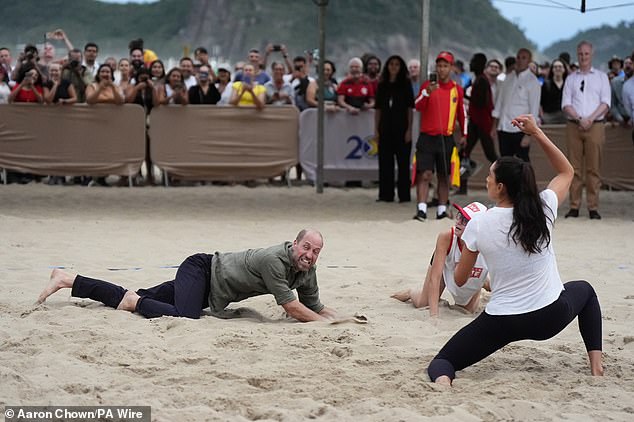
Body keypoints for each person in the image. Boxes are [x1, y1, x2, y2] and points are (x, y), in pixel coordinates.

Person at [427, 114, 603, 386]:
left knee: (442, 362)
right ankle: (596, 368)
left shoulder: (480, 223)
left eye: (489, 176)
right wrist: (537, 133)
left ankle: (443, 387)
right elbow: (567, 171)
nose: (486, 180)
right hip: (549, 316)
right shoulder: (543, 206)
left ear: (500, 187)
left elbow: (462, 281)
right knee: (586, 292)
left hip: (502, 321)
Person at [37, 229, 339, 322]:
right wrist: (327, 325)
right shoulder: (275, 259)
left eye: (315, 252)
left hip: (210, 288)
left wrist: (342, 318)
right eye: (306, 247)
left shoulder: (307, 269)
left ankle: (67, 279)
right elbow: (290, 306)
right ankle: (135, 303)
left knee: (129, 296)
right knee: (186, 315)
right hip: (201, 270)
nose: (309, 255)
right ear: (295, 244)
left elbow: (314, 306)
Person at [392, 201, 488, 316]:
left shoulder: (486, 243)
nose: (458, 222)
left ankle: (482, 284)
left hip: (470, 270)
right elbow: (435, 278)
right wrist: (434, 316)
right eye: (459, 216)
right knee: (424, 303)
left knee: (466, 310)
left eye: (465, 220)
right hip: (446, 263)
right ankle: (411, 292)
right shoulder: (447, 236)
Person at [412, 51, 466, 221]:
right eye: (439, 66)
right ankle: (421, 209)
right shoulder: (427, 86)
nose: (442, 69)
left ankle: (442, 209)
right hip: (427, 136)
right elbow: (417, 105)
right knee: (425, 173)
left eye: (445, 66)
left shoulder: (457, 89)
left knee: (444, 175)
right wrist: (427, 92)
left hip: (446, 137)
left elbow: (462, 114)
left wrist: (464, 133)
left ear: (451, 68)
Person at [561, 40, 611, 220]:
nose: (583, 57)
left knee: (593, 168)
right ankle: (574, 206)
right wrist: (579, 118)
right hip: (574, 125)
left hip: (595, 125)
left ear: (592, 54)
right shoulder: (571, 78)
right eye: (581, 54)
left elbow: (606, 102)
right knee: (573, 168)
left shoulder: (601, 77)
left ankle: (593, 207)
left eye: (586, 54)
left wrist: (589, 118)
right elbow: (566, 103)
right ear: (577, 54)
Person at [374, 55, 414, 203]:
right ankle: (385, 194)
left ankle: (404, 195)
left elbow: (410, 108)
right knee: (385, 163)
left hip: (402, 128)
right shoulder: (382, 84)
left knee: (403, 164)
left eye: (397, 64)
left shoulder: (406, 84)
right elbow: (377, 108)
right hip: (385, 128)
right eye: (391, 64)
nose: (394, 67)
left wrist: (409, 129)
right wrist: (376, 130)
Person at [491, 48, 541, 162]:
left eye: (524, 58)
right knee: (505, 163)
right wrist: (494, 126)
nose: (520, 60)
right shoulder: (508, 77)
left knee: (522, 165)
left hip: (520, 130)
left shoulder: (533, 81)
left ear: (529, 61)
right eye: (518, 57)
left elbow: (534, 110)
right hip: (503, 127)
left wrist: (528, 135)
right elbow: (499, 104)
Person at [459, 53, 498, 195]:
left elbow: (482, 102)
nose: (470, 64)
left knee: (491, 155)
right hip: (477, 122)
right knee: (465, 153)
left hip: (480, 123)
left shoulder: (481, 81)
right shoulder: (480, 80)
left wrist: (465, 95)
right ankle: (462, 187)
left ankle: (505, 179)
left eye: (473, 62)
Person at [540, 59, 568, 124]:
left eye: (560, 67)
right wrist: (542, 117)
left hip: (565, 118)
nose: (558, 68)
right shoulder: (546, 84)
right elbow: (540, 102)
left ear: (564, 69)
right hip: (549, 118)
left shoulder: (568, 84)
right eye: (555, 67)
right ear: (552, 69)